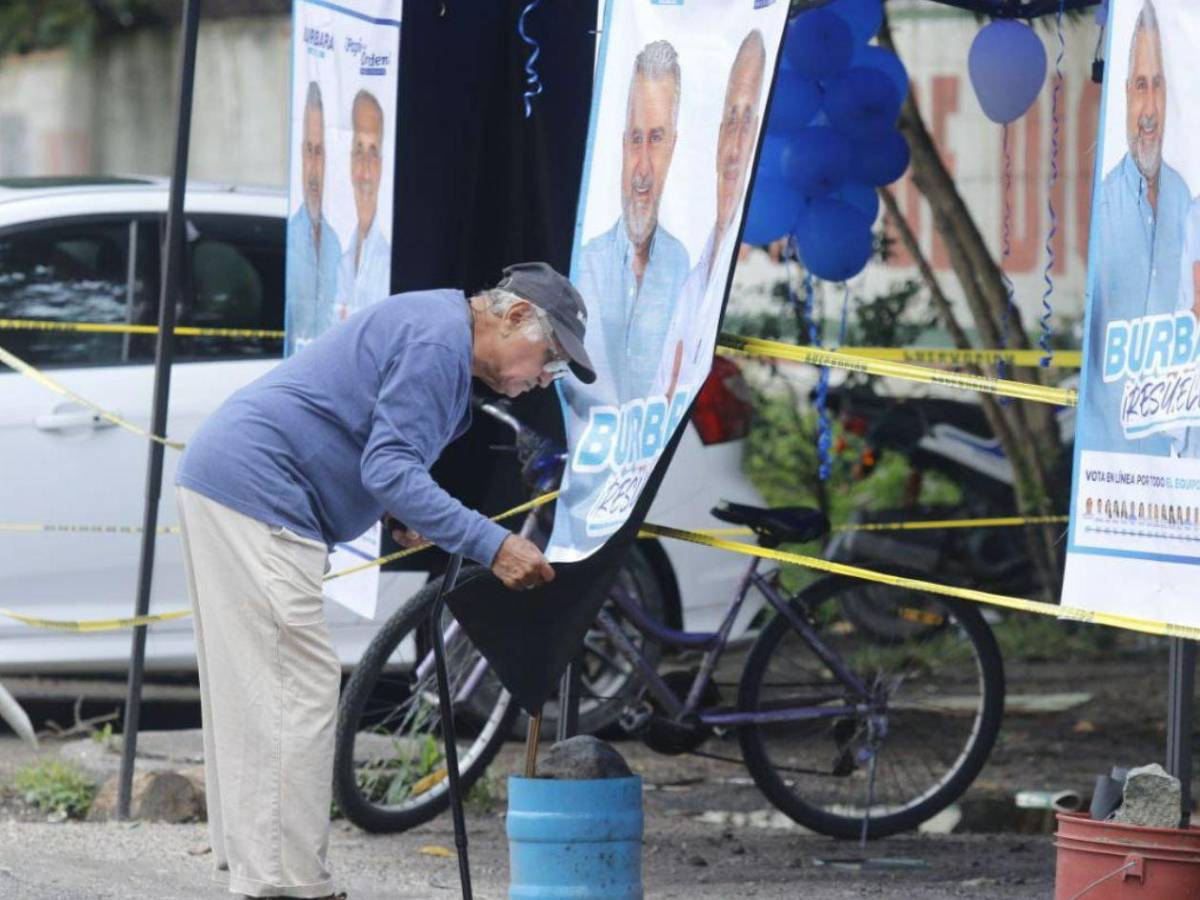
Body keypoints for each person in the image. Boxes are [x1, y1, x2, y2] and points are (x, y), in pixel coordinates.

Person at [174, 262, 595, 899]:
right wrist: (493, 543)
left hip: (233, 482)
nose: (545, 378)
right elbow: (391, 468)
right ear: (511, 318)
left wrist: (402, 507)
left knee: (260, 693)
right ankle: (284, 885)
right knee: (295, 690)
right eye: (550, 357)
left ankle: (261, 872)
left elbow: (378, 445)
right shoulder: (437, 344)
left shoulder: (439, 329)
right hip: (258, 492)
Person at [1083, 0, 1189, 455]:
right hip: (1115, 485)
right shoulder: (1105, 205)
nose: (1149, 108)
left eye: (1159, 86)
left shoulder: (1186, 199)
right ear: (1124, 92)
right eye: (1140, 86)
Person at [575, 39, 690, 402]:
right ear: (623, 144)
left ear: (672, 145)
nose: (642, 167)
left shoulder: (680, 263)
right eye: (636, 139)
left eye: (655, 139)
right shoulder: (585, 262)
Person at [657, 30, 766, 401]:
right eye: (731, 119)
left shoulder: (732, 273)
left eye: (749, 120)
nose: (735, 145)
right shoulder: (681, 262)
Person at [286, 81, 341, 354]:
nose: (314, 169)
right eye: (309, 150)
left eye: (319, 152)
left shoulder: (336, 244)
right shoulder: (289, 238)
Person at [336, 89, 392, 321]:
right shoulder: (343, 258)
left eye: (373, 151)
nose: (365, 171)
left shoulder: (389, 262)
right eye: (359, 150)